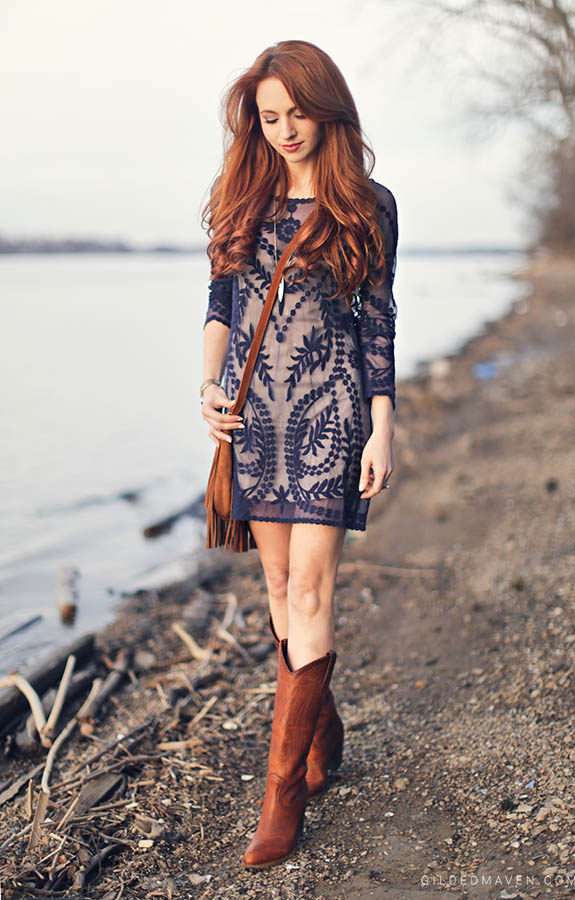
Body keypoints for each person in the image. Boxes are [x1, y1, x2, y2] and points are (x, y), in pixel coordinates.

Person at [199, 39, 398, 869]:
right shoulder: (240, 195)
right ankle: (319, 720)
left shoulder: (368, 202)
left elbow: (378, 316)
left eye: (297, 113)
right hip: (253, 418)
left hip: (329, 412)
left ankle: (282, 798)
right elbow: (219, 297)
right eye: (269, 116)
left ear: (328, 108)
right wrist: (208, 387)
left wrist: (383, 423)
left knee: (311, 584)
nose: (283, 130)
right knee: (280, 588)